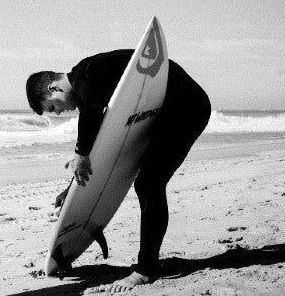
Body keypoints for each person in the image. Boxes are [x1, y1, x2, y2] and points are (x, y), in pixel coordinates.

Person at [26, 49, 211, 292]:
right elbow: (105, 148)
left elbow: (90, 119)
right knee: (148, 183)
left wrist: (80, 153)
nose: (58, 113)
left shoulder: (87, 74)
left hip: (186, 106)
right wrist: (72, 190)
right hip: (168, 110)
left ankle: (146, 270)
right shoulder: (92, 88)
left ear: (53, 88)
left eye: (52, 107)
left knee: (149, 183)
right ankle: (147, 266)